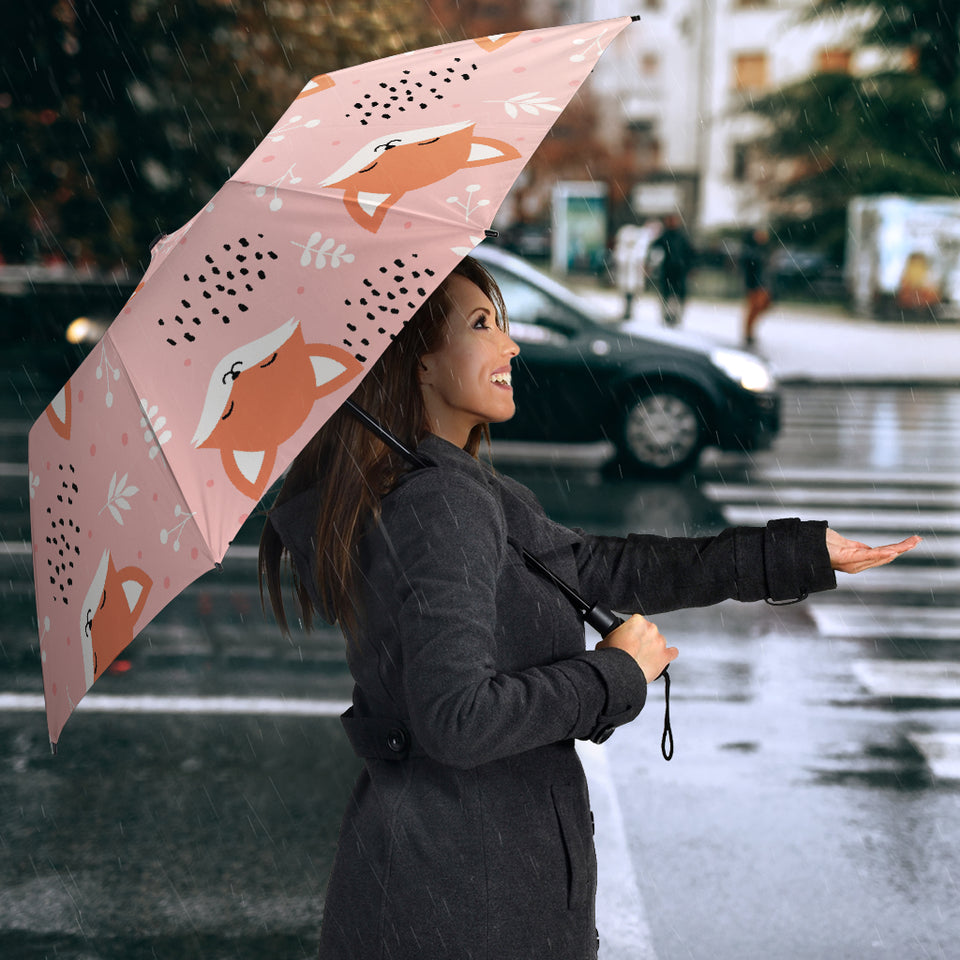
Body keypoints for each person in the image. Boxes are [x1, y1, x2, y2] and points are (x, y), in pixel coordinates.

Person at [258, 256, 919, 960]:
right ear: (417, 361)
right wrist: (615, 674)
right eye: (482, 325)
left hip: (448, 883)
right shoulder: (441, 504)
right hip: (469, 903)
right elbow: (457, 719)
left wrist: (795, 554)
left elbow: (599, 567)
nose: (511, 345)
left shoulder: (443, 488)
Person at [648, 213, 695, 327]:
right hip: (668, 271)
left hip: (679, 271)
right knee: (667, 294)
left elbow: (690, 253)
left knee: (677, 295)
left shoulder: (681, 237)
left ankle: (675, 316)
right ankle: (667, 315)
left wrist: (690, 267)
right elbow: (654, 249)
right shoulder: (665, 236)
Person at [741, 226, 773, 347]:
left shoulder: (762, 249)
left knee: (761, 306)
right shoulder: (751, 250)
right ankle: (748, 333)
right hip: (754, 284)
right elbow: (750, 266)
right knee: (754, 308)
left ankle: (749, 331)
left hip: (762, 283)